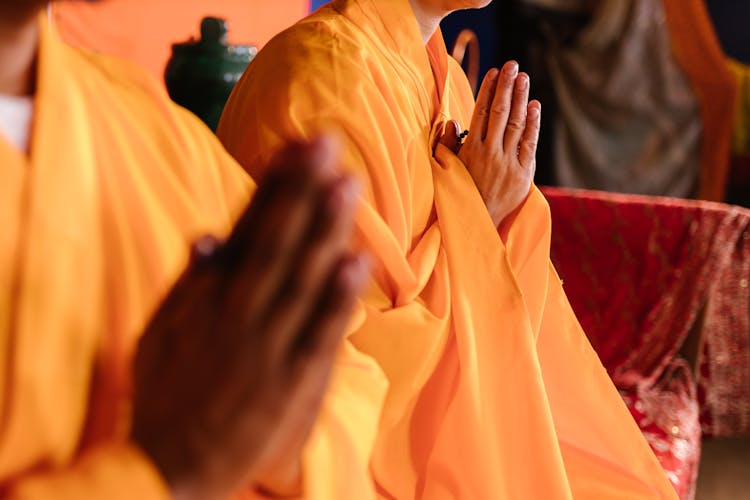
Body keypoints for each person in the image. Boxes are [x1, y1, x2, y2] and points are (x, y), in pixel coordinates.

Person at [217, 0, 679, 498]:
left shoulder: (448, 81)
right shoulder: (321, 80)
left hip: (468, 420)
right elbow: (345, 361)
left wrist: (491, 216)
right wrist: (475, 213)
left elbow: (509, 318)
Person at [0, 1, 369, 498]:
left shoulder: (154, 130)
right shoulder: (325, 65)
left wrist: (274, 435)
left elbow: (349, 381)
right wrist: (168, 469)